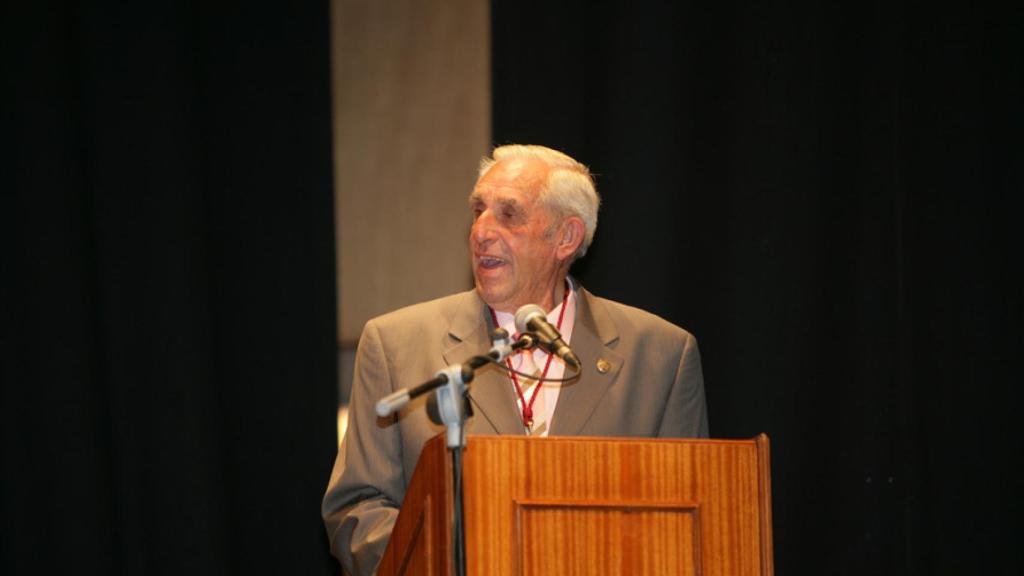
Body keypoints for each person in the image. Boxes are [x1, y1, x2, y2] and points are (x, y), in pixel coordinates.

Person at [322, 145, 709, 575]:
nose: (481, 231)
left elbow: (687, 518)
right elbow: (358, 509)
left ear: (566, 237)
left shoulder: (660, 355)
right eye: (478, 211)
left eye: (509, 215)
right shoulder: (396, 345)